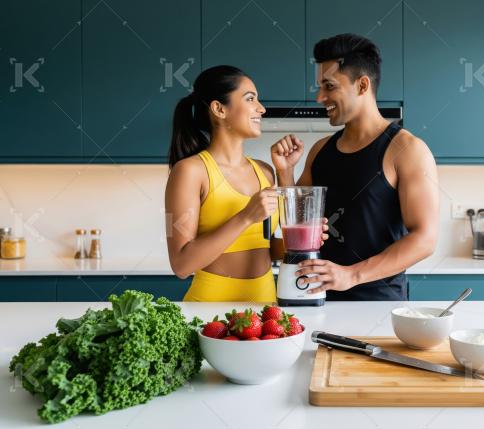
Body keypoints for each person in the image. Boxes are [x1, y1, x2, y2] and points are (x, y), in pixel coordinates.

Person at [271, 34, 439, 301]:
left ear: (362, 85)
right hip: (317, 299)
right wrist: (285, 173)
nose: (319, 97)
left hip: (377, 306)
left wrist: (351, 275)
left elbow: (425, 238)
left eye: (329, 86)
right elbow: (297, 227)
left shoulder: (407, 150)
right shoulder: (320, 150)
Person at [165, 65, 326, 302]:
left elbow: (269, 249)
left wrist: (305, 240)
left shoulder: (265, 171)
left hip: (266, 304)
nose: (261, 109)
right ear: (219, 109)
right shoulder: (189, 171)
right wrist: (246, 216)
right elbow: (181, 265)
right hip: (210, 308)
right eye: (250, 99)